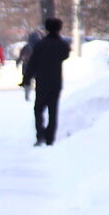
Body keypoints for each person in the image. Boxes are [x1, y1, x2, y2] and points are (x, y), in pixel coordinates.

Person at [20, 17, 71, 146]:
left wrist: (26, 79)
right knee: (53, 111)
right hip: (56, 82)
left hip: (42, 82)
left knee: (38, 109)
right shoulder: (61, 45)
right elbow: (66, 54)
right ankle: (50, 138)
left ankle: (40, 135)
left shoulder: (40, 45)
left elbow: (32, 64)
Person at [17, 28, 43, 100]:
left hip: (27, 65)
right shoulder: (40, 45)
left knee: (28, 80)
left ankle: (27, 94)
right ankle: (39, 94)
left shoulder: (26, 46)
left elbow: (20, 56)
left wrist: (18, 62)